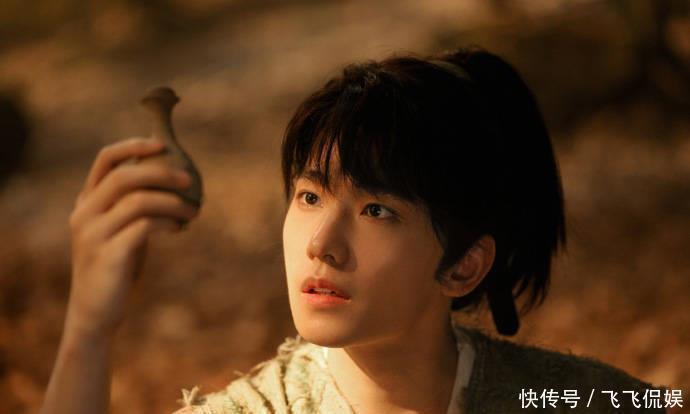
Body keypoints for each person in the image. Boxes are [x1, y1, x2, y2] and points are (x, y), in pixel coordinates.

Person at [39, 46, 667, 414]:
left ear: (463, 266)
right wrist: (87, 331)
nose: (321, 245)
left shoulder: (566, 398)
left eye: (376, 211)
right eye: (310, 196)